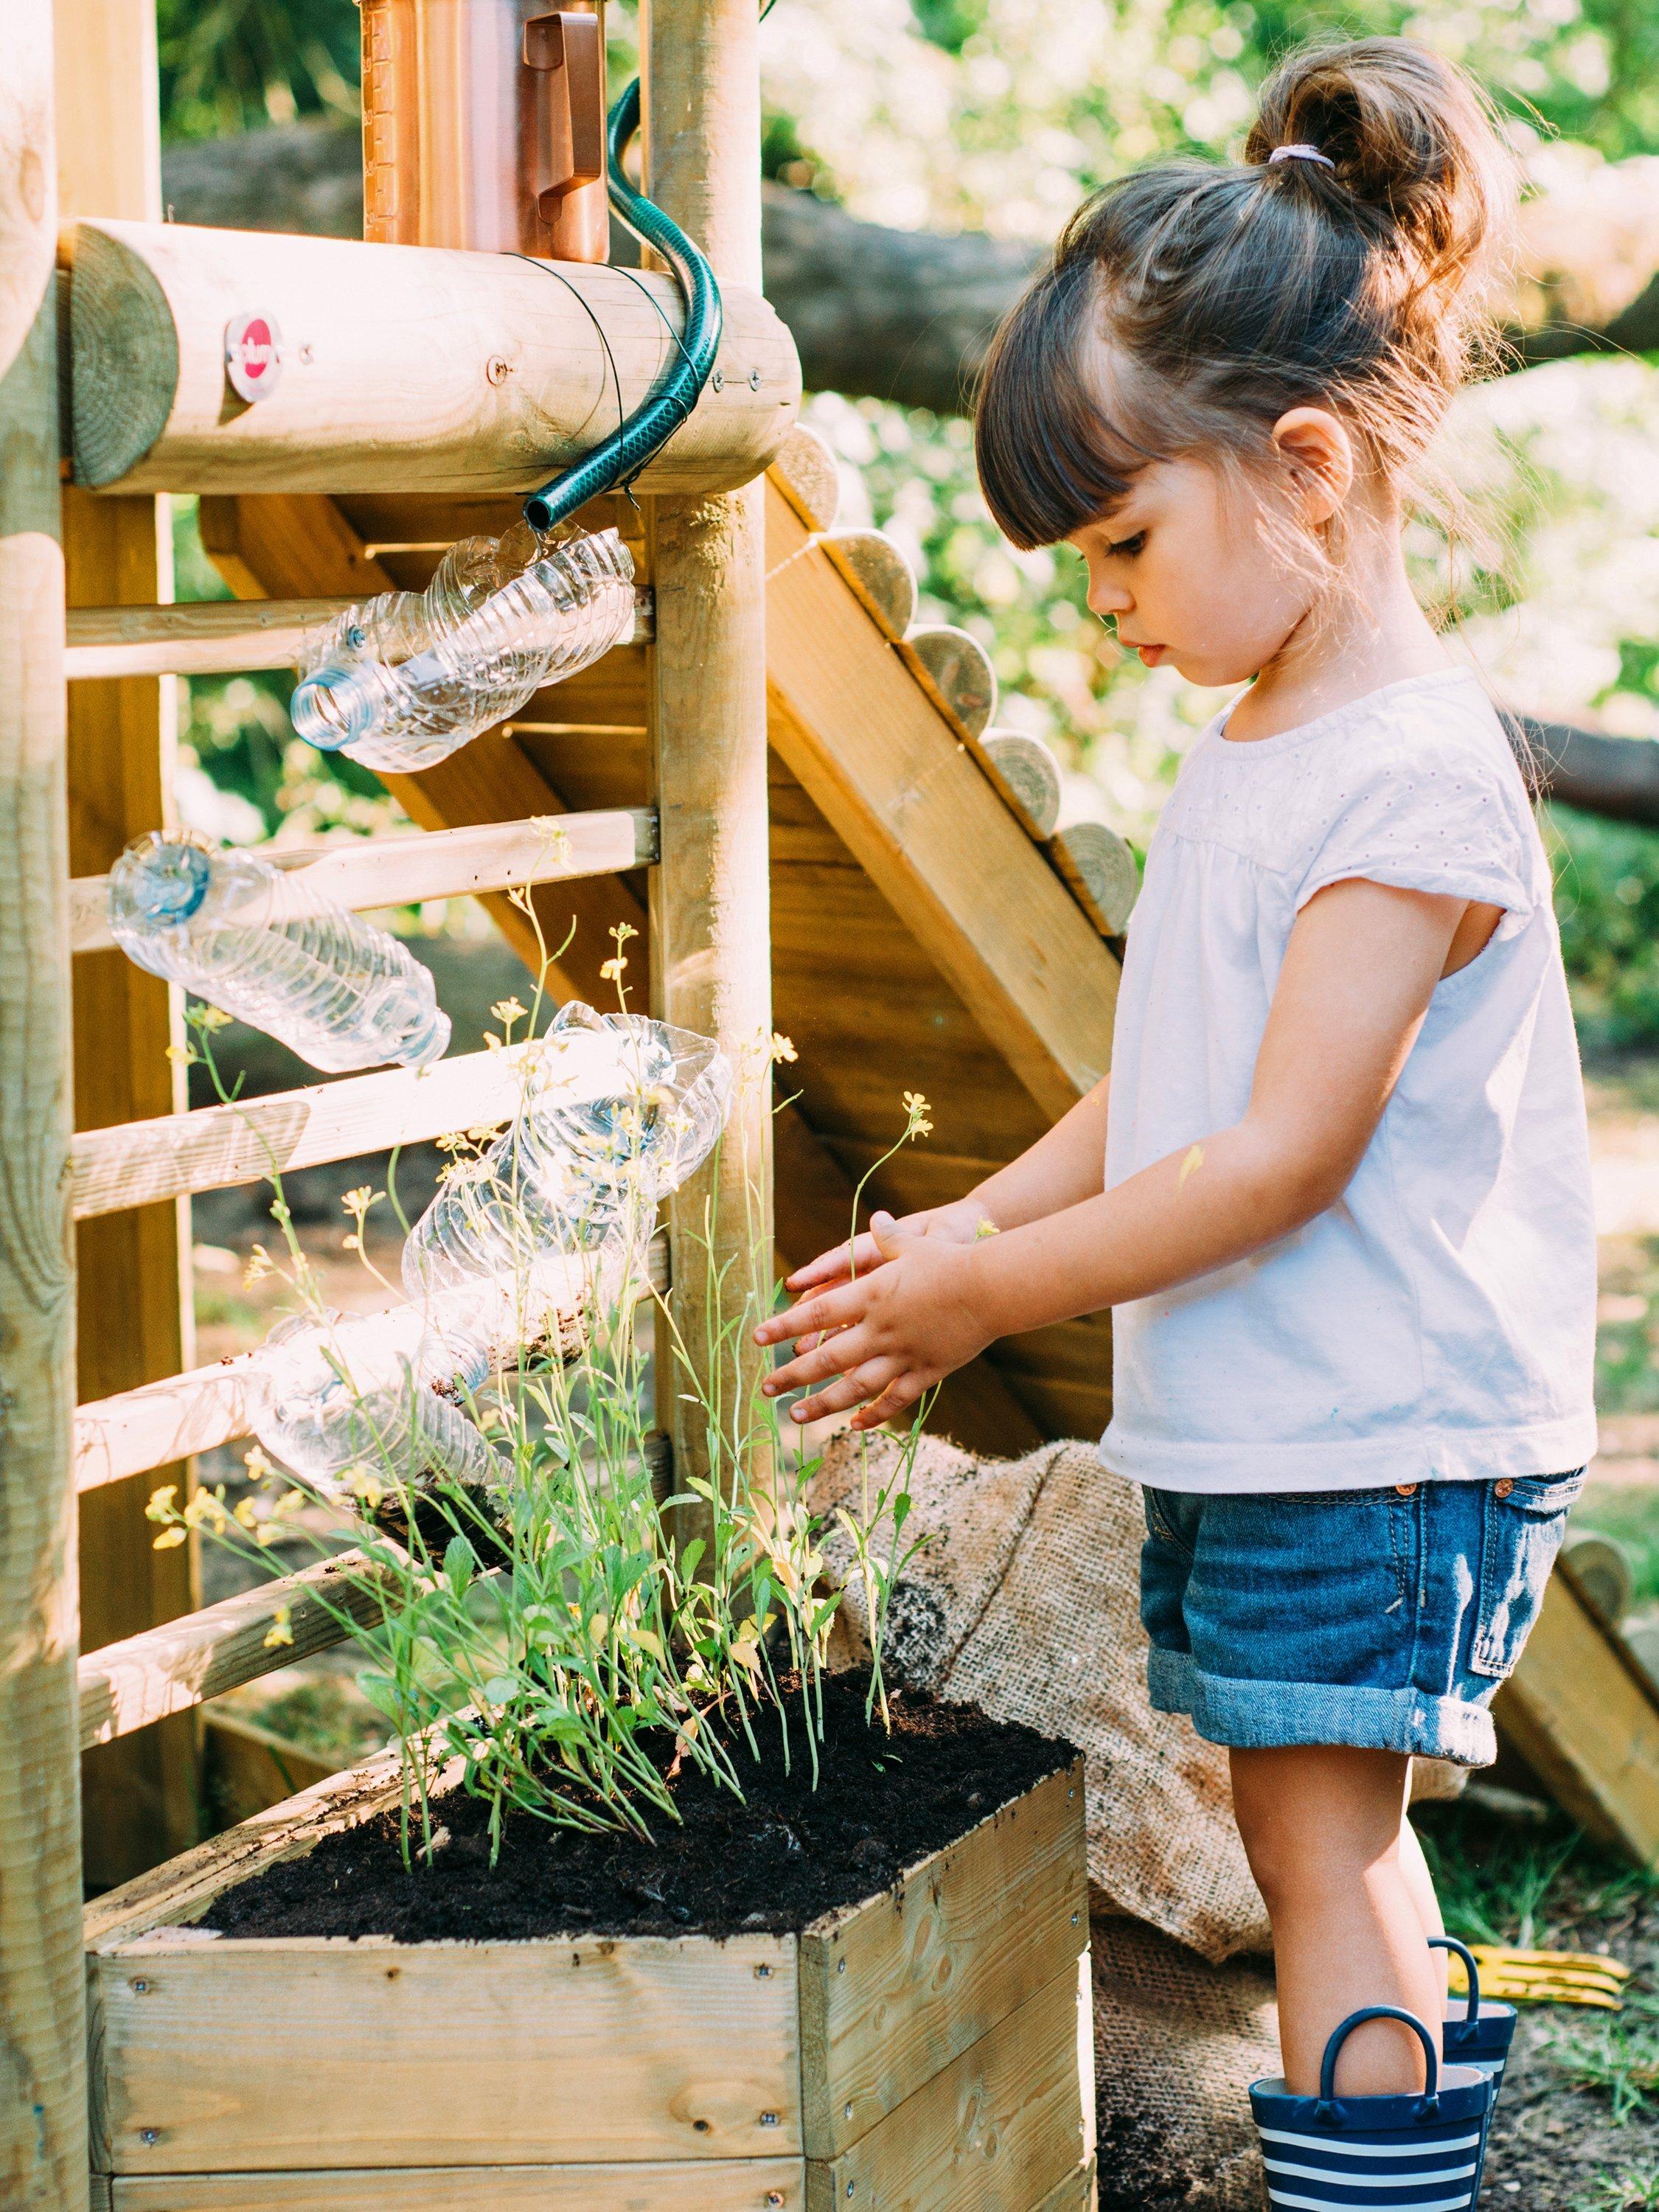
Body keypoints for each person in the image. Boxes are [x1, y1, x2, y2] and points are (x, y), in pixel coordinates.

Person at [755, 29, 1597, 2165]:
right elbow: (1168, 1086)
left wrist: (989, 1298)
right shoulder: (1257, 748)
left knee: (1314, 1853)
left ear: (1306, 467)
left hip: (1379, 1440)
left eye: (1121, 542)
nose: (1103, 601)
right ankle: (1414, 2161)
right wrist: (974, 1226)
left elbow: (1281, 1155)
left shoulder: (1406, 779)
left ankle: (1376, 2190)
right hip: (1291, 1426)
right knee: (1325, 1840)